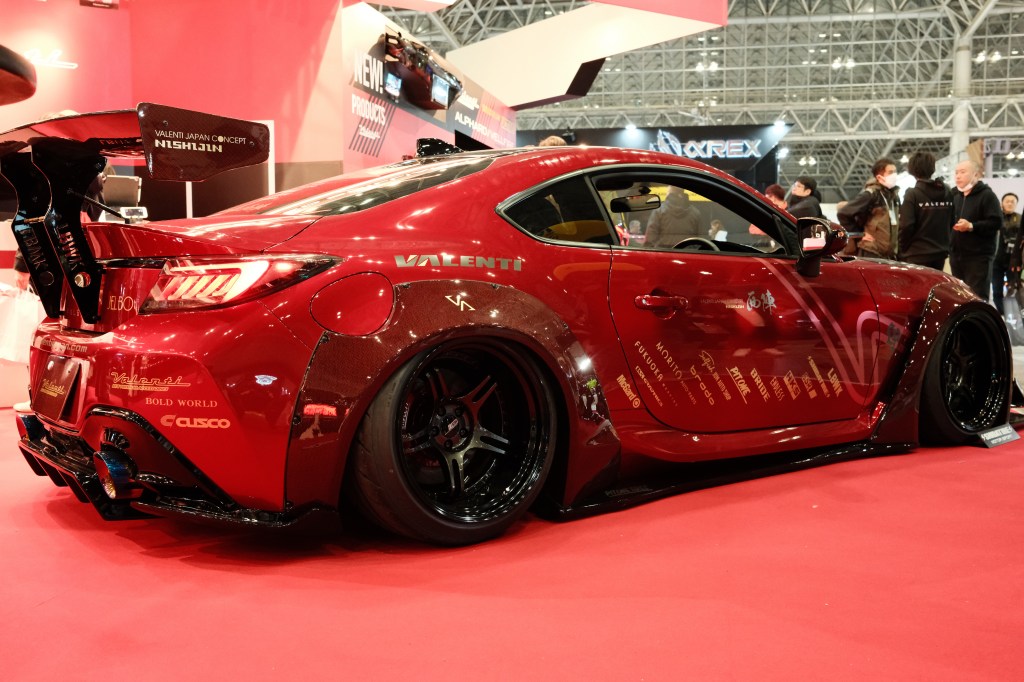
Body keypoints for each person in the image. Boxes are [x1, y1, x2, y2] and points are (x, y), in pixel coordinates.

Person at [949, 159, 1002, 300]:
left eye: (962, 172)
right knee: (958, 297)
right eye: (956, 172)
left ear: (975, 174)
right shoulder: (955, 195)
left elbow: (996, 222)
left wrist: (971, 226)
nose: (958, 176)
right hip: (956, 256)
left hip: (978, 257)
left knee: (976, 298)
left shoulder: (987, 195)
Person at [897, 151, 953, 271]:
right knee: (934, 282)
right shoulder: (947, 192)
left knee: (916, 283)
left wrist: (902, 248)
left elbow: (906, 225)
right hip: (940, 252)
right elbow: (952, 221)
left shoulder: (912, 194)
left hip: (916, 254)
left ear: (912, 170)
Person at [837, 157, 900, 259]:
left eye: (895, 171)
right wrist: (859, 234)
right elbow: (843, 213)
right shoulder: (870, 195)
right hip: (871, 250)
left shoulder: (894, 196)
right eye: (890, 172)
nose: (894, 175)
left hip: (889, 253)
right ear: (879, 177)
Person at [992, 192, 1021, 310]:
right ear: (1002, 203)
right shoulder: (996, 218)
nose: (1010, 204)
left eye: (1012, 202)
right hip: (996, 259)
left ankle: (1013, 312)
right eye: (1007, 201)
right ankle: (1001, 311)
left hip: (1013, 260)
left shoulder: (1020, 219)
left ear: (1016, 204)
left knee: (1013, 289)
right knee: (996, 289)